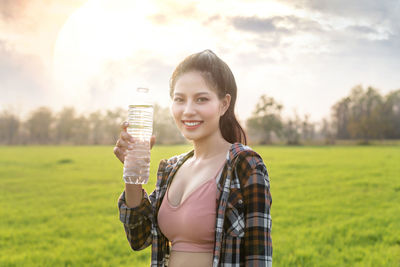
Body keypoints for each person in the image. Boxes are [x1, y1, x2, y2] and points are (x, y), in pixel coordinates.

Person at [114, 50, 272, 267]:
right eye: (179, 99)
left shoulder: (245, 165)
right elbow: (138, 238)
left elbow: (259, 258)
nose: (188, 111)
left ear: (224, 104)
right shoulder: (171, 169)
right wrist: (132, 171)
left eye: (201, 99)